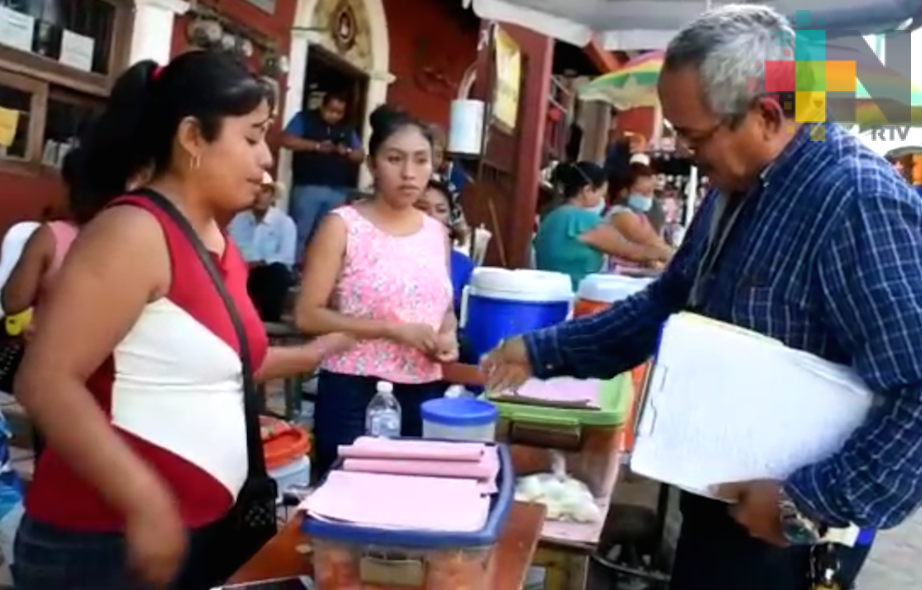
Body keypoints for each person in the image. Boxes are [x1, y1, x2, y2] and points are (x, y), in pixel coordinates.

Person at [480, 6, 920, 590]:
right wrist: (542, 350)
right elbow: (667, 304)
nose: (687, 154)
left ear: (766, 115)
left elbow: (916, 388)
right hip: (718, 500)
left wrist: (808, 501)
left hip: (787, 530)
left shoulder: (856, 201)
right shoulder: (732, 188)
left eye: (694, 137)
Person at [11, 51, 353, 590]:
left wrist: (319, 352)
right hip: (106, 545)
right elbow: (46, 380)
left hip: (198, 535)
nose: (266, 157)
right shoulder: (133, 232)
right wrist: (146, 503)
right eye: (251, 136)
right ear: (192, 138)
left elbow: (215, 361)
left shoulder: (217, 241)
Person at [296, 105, 457, 478]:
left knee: (408, 502)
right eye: (394, 159)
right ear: (372, 164)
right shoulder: (342, 226)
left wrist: (447, 333)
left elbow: (442, 307)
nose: (408, 173)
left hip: (424, 388)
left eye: (421, 160)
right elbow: (308, 315)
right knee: (347, 501)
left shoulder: (436, 233)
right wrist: (392, 329)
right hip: (354, 389)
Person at [533, 161, 667, 289]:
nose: (601, 200)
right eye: (600, 194)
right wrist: (664, 253)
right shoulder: (585, 221)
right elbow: (631, 252)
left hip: (551, 293)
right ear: (587, 190)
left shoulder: (552, 216)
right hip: (575, 297)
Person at [280, 91, 365, 259]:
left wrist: (346, 151)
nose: (334, 115)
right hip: (307, 186)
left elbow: (360, 155)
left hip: (337, 190)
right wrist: (316, 146)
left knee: (325, 235)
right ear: (322, 106)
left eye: (339, 112)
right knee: (299, 231)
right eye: (331, 110)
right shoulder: (304, 118)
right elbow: (286, 139)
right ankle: (290, 272)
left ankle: (312, 273)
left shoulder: (347, 128)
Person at [228, 171, 297, 322]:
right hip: (243, 270)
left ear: (272, 196)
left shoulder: (284, 222)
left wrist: (261, 262)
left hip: (269, 272)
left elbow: (286, 257)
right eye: (257, 191)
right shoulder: (237, 221)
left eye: (265, 191)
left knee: (278, 272)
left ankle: (270, 319)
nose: (260, 195)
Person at [415, 179, 474, 314]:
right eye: (422, 207)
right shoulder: (392, 255)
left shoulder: (463, 265)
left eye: (441, 210)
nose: (432, 215)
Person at [606, 163, 673, 273]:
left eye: (651, 191)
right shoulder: (621, 215)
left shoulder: (638, 214)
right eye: (644, 192)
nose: (650, 197)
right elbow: (654, 244)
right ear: (624, 192)